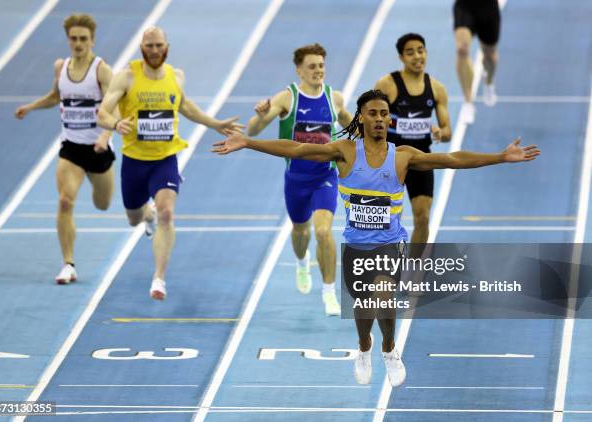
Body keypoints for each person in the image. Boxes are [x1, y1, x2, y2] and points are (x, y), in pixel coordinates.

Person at [211, 89, 539, 386]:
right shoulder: (344, 152)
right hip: (355, 245)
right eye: (373, 114)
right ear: (361, 118)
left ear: (389, 119)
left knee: (383, 297)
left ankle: (389, 349)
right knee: (364, 307)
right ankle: (364, 347)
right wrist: (248, 142)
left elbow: (451, 160)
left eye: (384, 114)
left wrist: (499, 156)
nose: (380, 119)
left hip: (389, 244)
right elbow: (297, 149)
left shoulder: (403, 156)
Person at [97, 26, 243, 300]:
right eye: (149, 46)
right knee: (133, 218)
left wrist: (214, 123)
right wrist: (116, 123)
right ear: (142, 48)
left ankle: (159, 279)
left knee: (167, 213)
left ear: (167, 47)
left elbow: (185, 106)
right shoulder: (126, 77)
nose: (154, 51)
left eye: (159, 45)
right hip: (135, 161)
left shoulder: (176, 76)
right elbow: (102, 112)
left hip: (165, 159)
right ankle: (146, 215)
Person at [247, 43, 352, 316]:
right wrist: (260, 116)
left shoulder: (334, 98)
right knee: (301, 232)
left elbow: (350, 125)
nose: (318, 71)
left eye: (321, 66)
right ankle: (302, 261)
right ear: (299, 70)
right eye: (312, 67)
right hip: (296, 179)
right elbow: (254, 130)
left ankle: (329, 292)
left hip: (324, 176)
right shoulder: (286, 99)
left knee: (324, 232)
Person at [15, 13, 116, 284]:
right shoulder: (61, 67)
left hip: (97, 150)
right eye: (74, 39)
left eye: (84, 39)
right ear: (68, 40)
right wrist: (31, 106)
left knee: (103, 203)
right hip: (71, 147)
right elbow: (55, 96)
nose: (79, 43)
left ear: (92, 41)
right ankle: (68, 264)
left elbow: (115, 105)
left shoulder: (101, 70)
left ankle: (146, 213)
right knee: (64, 201)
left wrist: (106, 135)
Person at [375, 33, 452, 248]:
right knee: (384, 218)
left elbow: (448, 132)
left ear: (426, 52)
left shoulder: (436, 88)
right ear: (401, 57)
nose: (417, 56)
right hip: (391, 157)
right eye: (410, 52)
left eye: (420, 50)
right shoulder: (387, 85)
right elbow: (369, 120)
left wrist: (439, 133)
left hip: (420, 158)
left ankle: (413, 272)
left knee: (423, 217)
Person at [454, 0, 501, 123]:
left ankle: (489, 81)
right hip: (465, 6)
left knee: (489, 55)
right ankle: (468, 102)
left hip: (488, 8)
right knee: (462, 50)